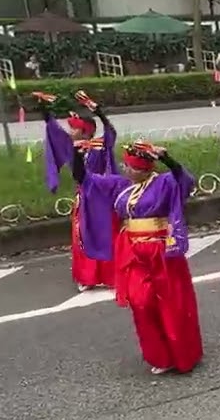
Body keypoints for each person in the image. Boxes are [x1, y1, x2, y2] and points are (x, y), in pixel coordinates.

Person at [70, 141, 203, 375]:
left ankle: (181, 354)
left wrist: (167, 159)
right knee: (141, 301)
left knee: (170, 303)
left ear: (144, 169)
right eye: (125, 165)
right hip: (132, 251)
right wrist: (77, 156)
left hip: (162, 252)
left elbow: (185, 180)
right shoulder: (120, 185)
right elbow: (86, 180)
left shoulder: (164, 183)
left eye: (131, 167)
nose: (126, 169)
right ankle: (160, 355)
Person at [37, 91, 118, 292]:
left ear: (85, 131)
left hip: (102, 197)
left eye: (73, 128)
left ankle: (110, 275)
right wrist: (44, 108)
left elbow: (110, 130)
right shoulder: (71, 146)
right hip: (83, 196)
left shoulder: (100, 146)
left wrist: (97, 110)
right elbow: (53, 130)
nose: (70, 131)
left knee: (106, 234)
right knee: (81, 235)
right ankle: (87, 276)